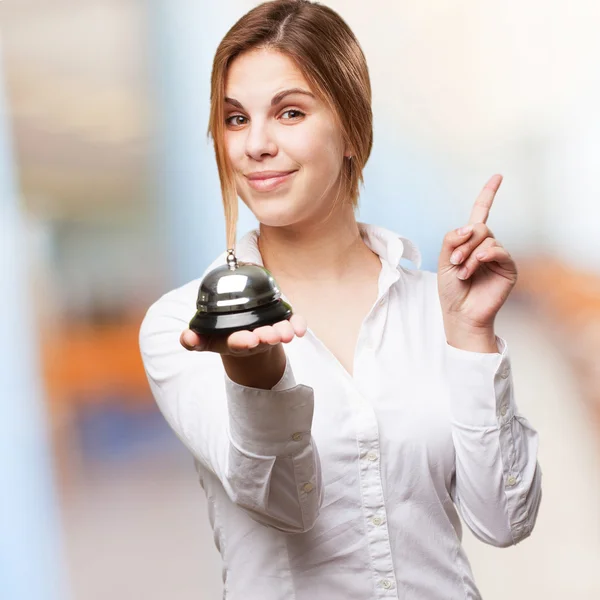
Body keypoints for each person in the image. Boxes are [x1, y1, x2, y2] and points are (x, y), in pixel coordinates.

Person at [139, 1, 542, 598]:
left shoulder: (436, 306)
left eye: (290, 112)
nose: (256, 145)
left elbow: (505, 521)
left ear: (353, 129)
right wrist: (256, 379)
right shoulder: (187, 325)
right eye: (235, 119)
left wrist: (472, 336)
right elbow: (282, 507)